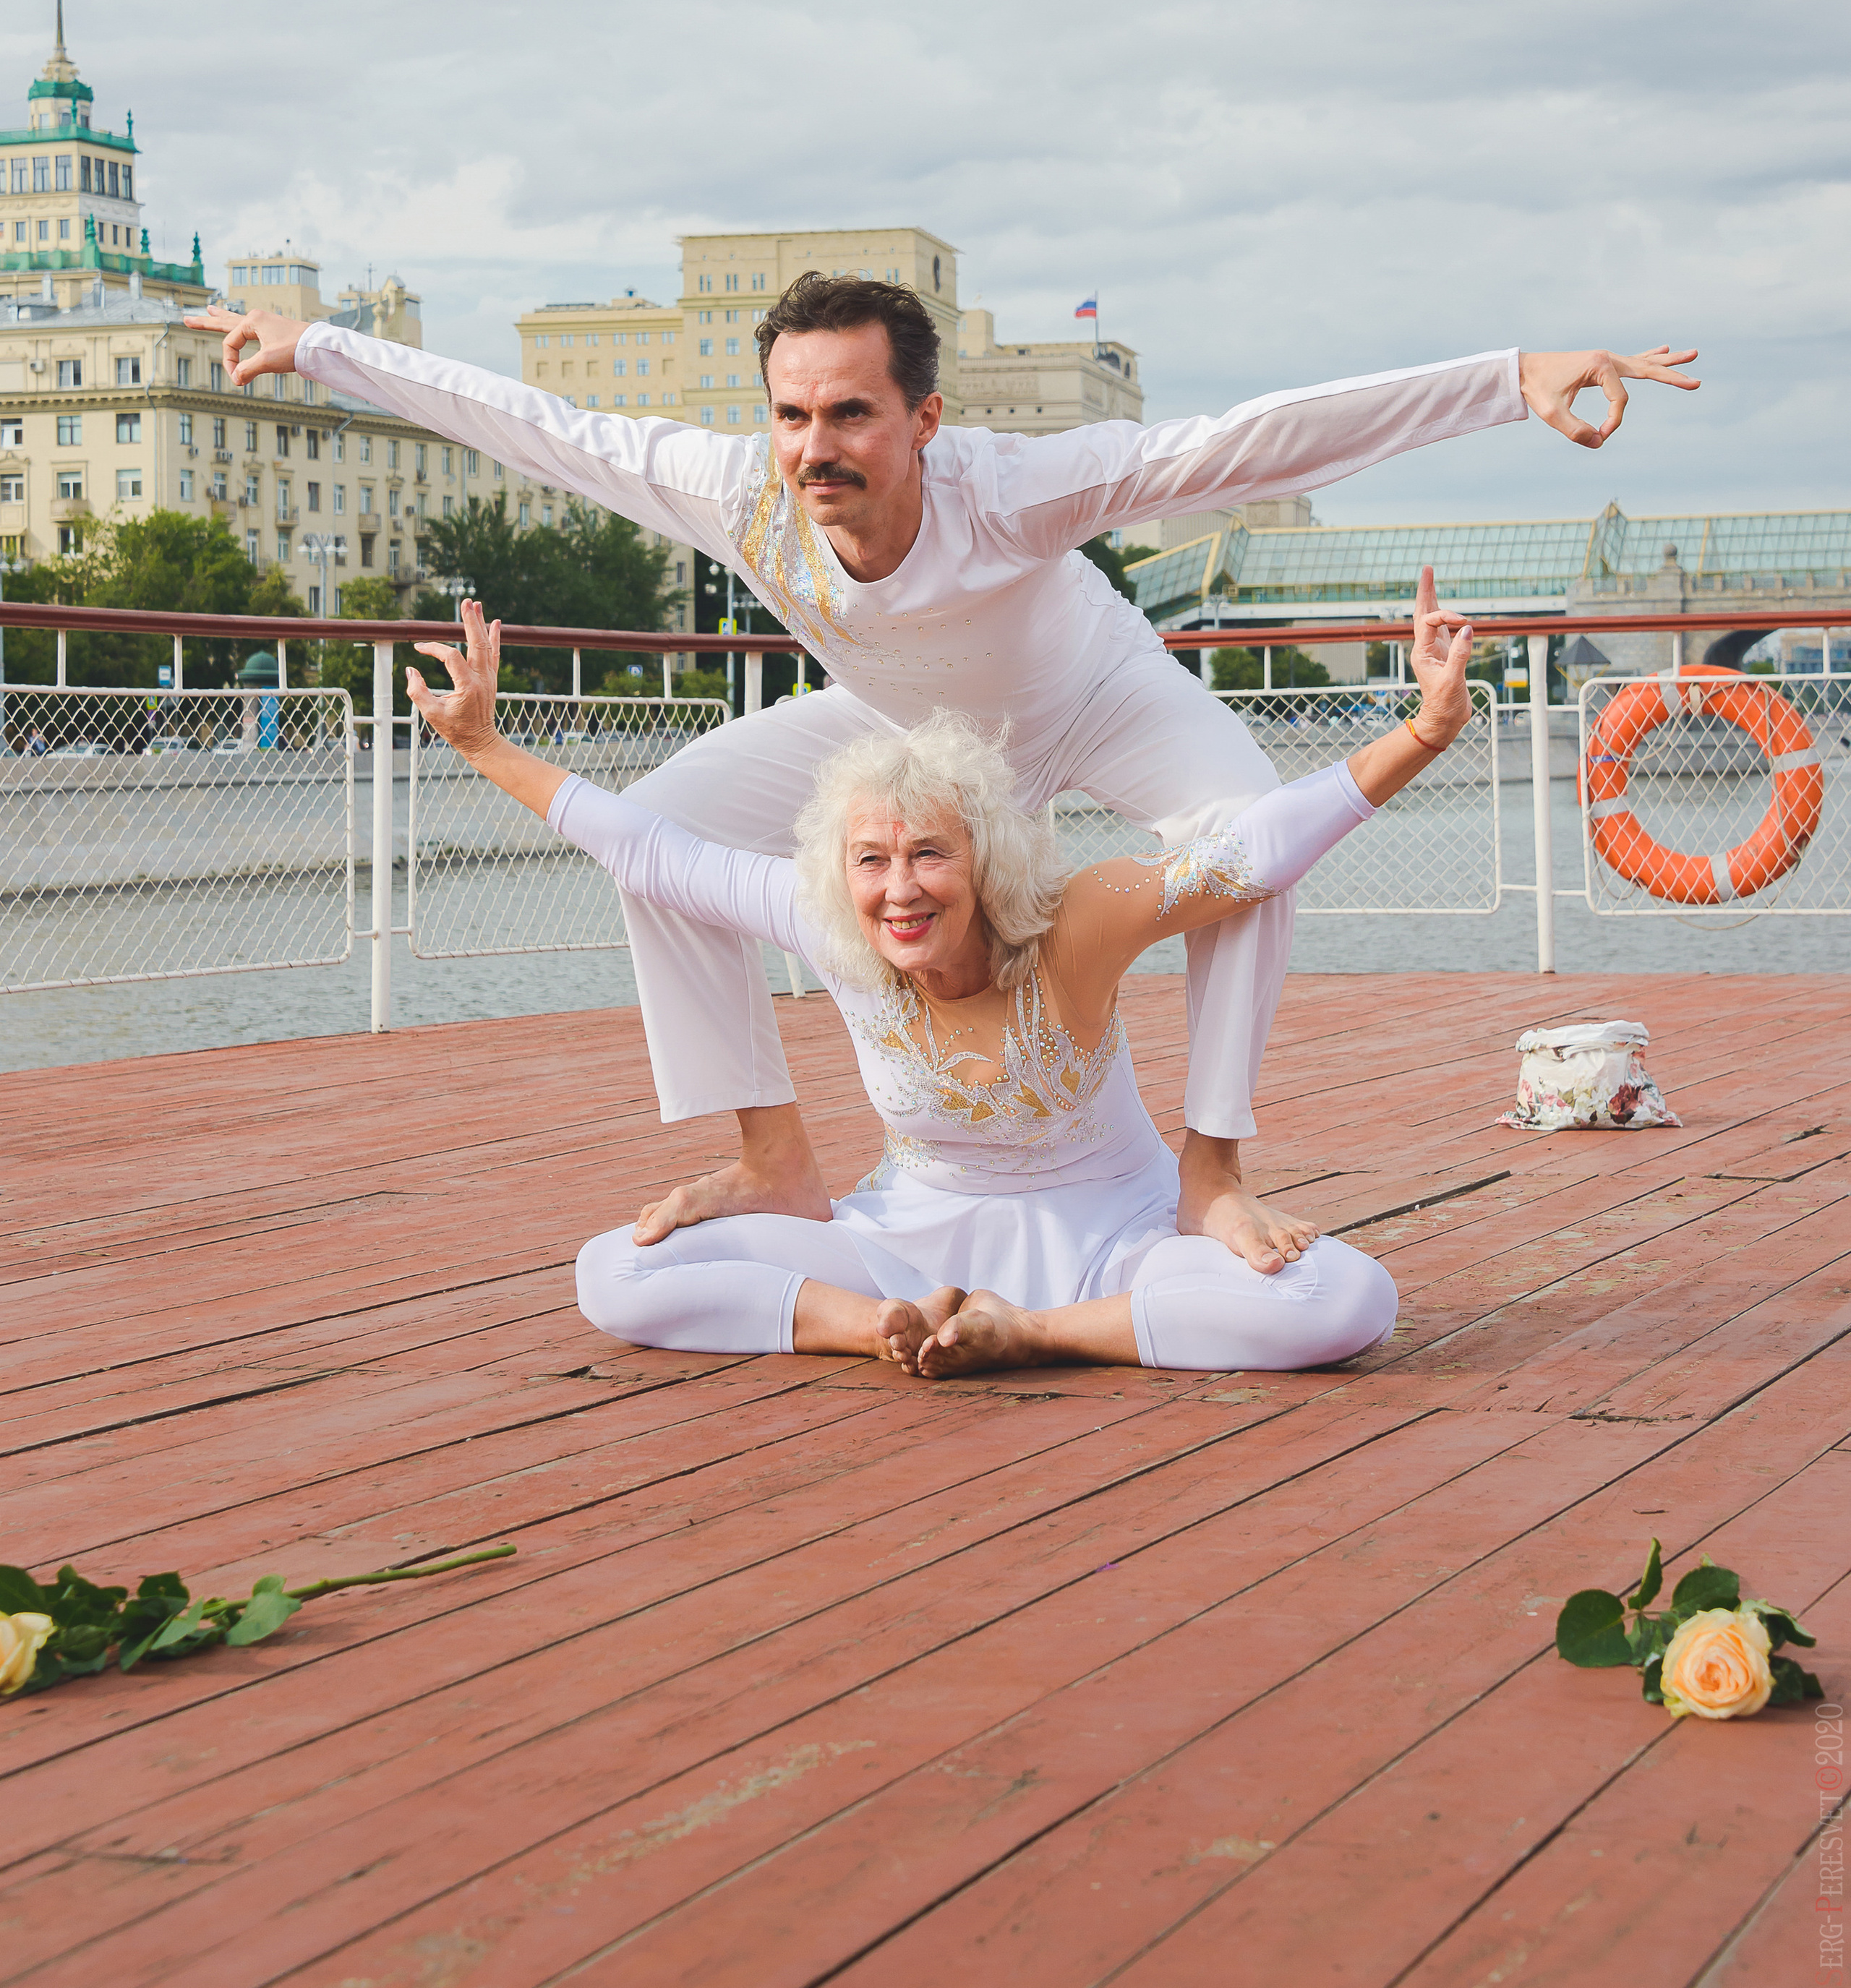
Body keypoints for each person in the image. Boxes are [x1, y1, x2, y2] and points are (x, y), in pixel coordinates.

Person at [188, 278, 1698, 1274]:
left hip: (1088, 698)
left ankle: (1212, 1168)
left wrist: (1510, 375)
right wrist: (318, 347)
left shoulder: (1014, 489)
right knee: (656, 835)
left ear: (920, 418)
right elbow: (537, 427)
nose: (813, 444)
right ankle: (774, 1159)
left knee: (1245, 841)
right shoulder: (740, 496)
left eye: (849, 412)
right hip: (902, 738)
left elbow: (1239, 443)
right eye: (791, 412)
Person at [410, 576, 1463, 1376]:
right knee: (617, 1272)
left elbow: (1251, 852)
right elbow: (649, 850)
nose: (899, 891)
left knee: (1343, 1301)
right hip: (903, 1241)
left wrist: (1423, 731)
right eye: (872, 860)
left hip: (1118, 1243)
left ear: (987, 862)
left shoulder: (1071, 930)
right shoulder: (840, 929)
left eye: (929, 855)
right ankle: (873, 1332)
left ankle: (1036, 1334)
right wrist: (485, 744)